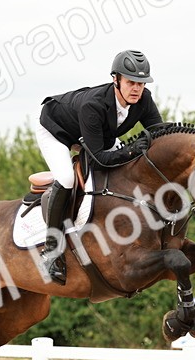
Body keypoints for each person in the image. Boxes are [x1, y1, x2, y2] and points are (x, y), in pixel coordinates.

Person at [35, 49, 164, 284]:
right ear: (116, 80)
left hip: (95, 134)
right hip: (56, 129)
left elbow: (160, 134)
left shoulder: (144, 99)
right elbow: (100, 159)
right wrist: (132, 149)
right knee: (67, 178)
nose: (136, 89)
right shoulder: (93, 105)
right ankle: (51, 250)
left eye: (141, 83)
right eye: (131, 82)